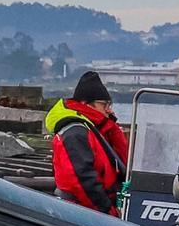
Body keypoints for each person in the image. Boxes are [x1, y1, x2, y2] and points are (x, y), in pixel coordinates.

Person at [46, 71, 129, 216]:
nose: (109, 110)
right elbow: (82, 179)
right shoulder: (75, 133)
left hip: (94, 208)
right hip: (81, 212)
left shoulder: (94, 130)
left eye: (109, 105)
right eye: (104, 105)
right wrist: (108, 212)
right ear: (86, 104)